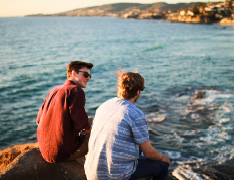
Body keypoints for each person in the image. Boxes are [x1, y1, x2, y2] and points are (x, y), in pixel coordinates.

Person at [84, 70, 170, 180]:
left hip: (91, 172)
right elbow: (149, 153)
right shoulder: (134, 113)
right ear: (138, 92)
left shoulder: (104, 106)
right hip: (114, 176)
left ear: (119, 88)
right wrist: (162, 157)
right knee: (162, 166)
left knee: (136, 144)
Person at [37, 61, 93, 163]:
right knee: (100, 133)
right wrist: (89, 131)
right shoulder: (76, 91)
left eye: (89, 76)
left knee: (90, 120)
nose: (88, 78)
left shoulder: (54, 90)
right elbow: (81, 123)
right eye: (85, 75)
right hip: (62, 153)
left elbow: (39, 119)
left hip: (45, 151)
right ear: (74, 73)